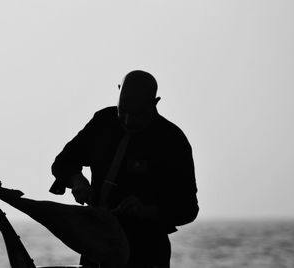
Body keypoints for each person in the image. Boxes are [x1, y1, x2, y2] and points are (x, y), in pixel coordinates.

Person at [50, 70, 199, 268]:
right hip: (97, 245)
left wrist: (147, 211)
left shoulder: (172, 141)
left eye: (137, 115)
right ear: (118, 92)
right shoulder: (103, 122)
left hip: (146, 251)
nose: (128, 121)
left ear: (155, 103)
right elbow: (63, 162)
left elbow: (188, 209)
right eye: (123, 112)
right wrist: (77, 180)